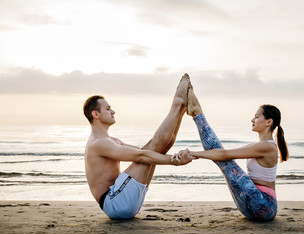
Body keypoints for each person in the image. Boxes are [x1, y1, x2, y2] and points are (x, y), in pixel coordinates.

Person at [83, 74, 194, 220]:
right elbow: (142, 156)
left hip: (121, 202)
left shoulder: (111, 140)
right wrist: (174, 161)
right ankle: (178, 103)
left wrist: (174, 157)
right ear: (95, 114)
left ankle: (181, 108)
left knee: (154, 149)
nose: (113, 111)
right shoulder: (98, 143)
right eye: (108, 109)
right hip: (115, 203)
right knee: (149, 152)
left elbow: (146, 151)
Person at [179, 84, 289, 221]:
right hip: (253, 207)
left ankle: (198, 114)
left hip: (264, 206)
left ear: (268, 122)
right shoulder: (260, 146)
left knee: (227, 163)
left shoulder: (267, 147)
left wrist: (194, 153)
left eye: (256, 117)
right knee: (225, 160)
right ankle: (197, 114)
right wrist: (196, 154)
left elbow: (224, 155)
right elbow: (222, 153)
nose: (252, 120)